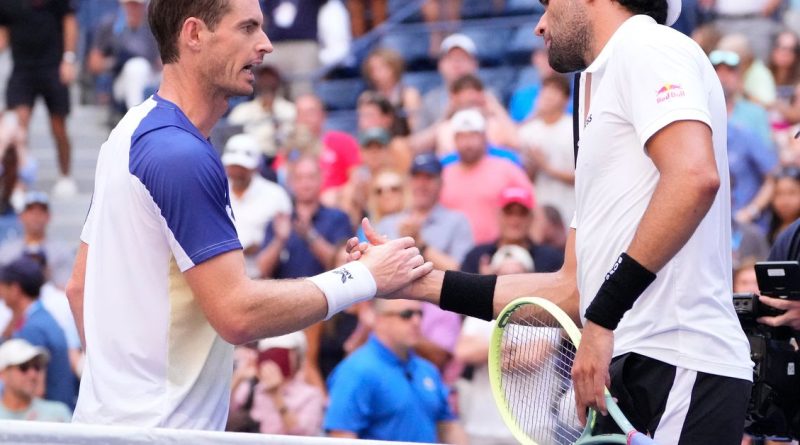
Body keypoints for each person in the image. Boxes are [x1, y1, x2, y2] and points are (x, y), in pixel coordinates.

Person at [349, 1, 754, 443]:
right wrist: (418, 284)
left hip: (678, 358)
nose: (540, 25)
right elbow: (572, 291)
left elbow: (694, 177)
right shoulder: (600, 95)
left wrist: (601, 320)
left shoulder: (647, 42)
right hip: (638, 364)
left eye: (547, 3)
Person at [66, 0, 432, 429]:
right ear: (194, 35)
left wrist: (122, 394)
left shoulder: (127, 132)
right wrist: (365, 278)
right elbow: (238, 313)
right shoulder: (179, 154)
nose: (266, 44)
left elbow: (78, 288)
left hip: (104, 425)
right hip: (158, 434)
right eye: (248, 28)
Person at [323, 298, 468, 444]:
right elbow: (341, 436)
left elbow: (448, 426)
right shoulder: (356, 371)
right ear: (379, 319)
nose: (416, 321)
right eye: (406, 314)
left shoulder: (427, 370)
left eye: (420, 314)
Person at [0, 0, 79, 196]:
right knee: (18, 126)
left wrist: (69, 59)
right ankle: (18, 181)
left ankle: (65, 175)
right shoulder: (7, 4)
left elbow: (69, 22)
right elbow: (3, 34)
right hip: (22, 69)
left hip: (53, 67)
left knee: (58, 126)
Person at [439, 108, 533, 244]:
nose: (467, 142)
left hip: (497, 253)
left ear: (484, 137)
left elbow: (533, 209)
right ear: (455, 139)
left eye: (473, 135)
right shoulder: (443, 173)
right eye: (462, 136)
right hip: (451, 255)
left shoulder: (507, 168)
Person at [256, 155, 353, 279]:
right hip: (286, 295)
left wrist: (310, 236)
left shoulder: (338, 218)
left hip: (327, 295)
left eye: (311, 177)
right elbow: (261, 270)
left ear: (321, 179)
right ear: (290, 182)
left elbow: (344, 265)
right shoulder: (279, 221)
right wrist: (279, 241)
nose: (305, 183)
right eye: (299, 178)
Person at [0, 257, 77, 410]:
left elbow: (34, 389)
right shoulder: (42, 319)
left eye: (2, 287)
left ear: (15, 289)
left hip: (45, 422)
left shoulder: (33, 329)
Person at [229, 332, 325, 436]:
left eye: (282, 354)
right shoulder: (252, 389)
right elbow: (222, 415)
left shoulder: (310, 395)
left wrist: (276, 396)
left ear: (298, 357)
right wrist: (238, 378)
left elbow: (304, 435)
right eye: (270, 353)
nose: (276, 360)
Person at [222, 134, 292, 276]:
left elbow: (287, 241)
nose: (237, 172)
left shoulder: (275, 194)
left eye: (243, 167)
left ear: (255, 167)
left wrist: (260, 245)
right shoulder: (216, 191)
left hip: (266, 273)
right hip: (223, 271)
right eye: (233, 166)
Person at [460, 186, 563, 275]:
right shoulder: (476, 257)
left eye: (522, 213)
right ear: (498, 215)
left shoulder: (551, 259)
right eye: (509, 213)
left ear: (531, 218)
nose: (515, 220)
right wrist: (483, 283)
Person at [518, 75, 576, 222]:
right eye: (546, 90)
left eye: (555, 91)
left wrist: (546, 166)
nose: (549, 96)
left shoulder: (575, 129)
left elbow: (582, 176)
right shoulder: (528, 131)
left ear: (566, 99)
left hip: (571, 207)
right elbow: (523, 179)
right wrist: (533, 166)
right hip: (539, 207)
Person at [87, 0, 161, 112]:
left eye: (136, 5)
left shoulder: (153, 25)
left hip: (151, 76)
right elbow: (94, 63)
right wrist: (114, 62)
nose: (132, 8)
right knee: (136, 67)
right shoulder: (111, 25)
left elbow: (160, 61)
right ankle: (137, 120)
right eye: (129, 4)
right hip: (121, 80)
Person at [0, 338, 71, 421]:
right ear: (3, 373)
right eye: (24, 367)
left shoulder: (58, 414)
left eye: (37, 367)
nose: (33, 375)